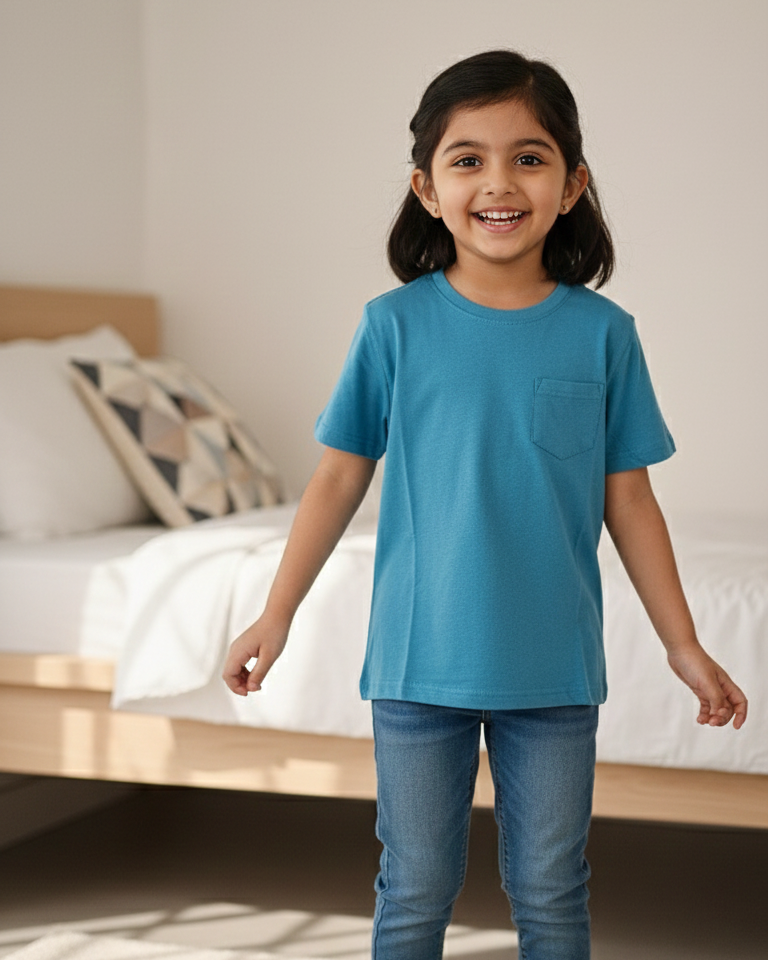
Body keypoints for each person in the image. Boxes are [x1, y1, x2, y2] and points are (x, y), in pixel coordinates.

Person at [223, 49, 747, 960]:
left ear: (572, 184)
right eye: (468, 159)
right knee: (415, 886)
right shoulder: (392, 326)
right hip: (419, 665)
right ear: (426, 188)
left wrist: (684, 643)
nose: (499, 183)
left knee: (551, 886)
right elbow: (338, 477)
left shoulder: (604, 335)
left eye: (529, 157)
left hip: (554, 672)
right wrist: (277, 611)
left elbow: (631, 502)